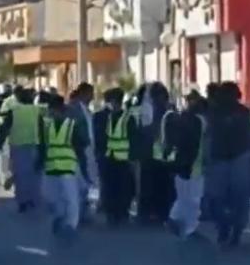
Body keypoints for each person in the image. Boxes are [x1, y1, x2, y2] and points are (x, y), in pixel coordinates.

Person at [205, 82, 250, 247]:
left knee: (227, 197)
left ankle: (231, 229)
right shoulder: (216, 112)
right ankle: (230, 228)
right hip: (228, 158)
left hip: (233, 158)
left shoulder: (239, 112)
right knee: (230, 198)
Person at [39, 94, 89, 240]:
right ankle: (60, 216)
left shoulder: (71, 124)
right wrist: (40, 161)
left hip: (67, 166)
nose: (50, 113)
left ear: (59, 109)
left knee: (71, 197)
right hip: (51, 166)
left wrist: (81, 164)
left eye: (52, 110)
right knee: (51, 196)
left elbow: (81, 143)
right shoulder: (46, 124)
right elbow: (42, 145)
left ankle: (71, 225)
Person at [0, 87, 43, 213]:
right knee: (32, 174)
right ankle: (32, 199)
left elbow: (4, 128)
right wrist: (43, 147)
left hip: (17, 145)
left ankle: (22, 201)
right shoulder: (36, 111)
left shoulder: (14, 111)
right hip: (33, 144)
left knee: (20, 175)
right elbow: (41, 129)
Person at [168, 90, 209, 239]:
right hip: (194, 165)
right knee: (194, 198)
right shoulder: (200, 122)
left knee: (183, 196)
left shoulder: (181, 118)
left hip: (181, 162)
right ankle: (188, 227)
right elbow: (200, 145)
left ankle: (176, 218)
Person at [136, 83, 178, 224]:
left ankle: (161, 213)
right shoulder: (149, 110)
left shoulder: (168, 111)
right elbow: (144, 130)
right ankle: (149, 213)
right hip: (151, 154)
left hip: (163, 155)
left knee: (163, 185)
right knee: (150, 185)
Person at [95, 87, 137, 225]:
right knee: (111, 186)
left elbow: (133, 137)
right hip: (110, 156)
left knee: (122, 187)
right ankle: (113, 212)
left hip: (122, 158)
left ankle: (120, 212)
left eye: (110, 101)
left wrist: (132, 157)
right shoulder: (107, 117)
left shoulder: (126, 118)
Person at [68, 83, 97, 219]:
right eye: (91, 93)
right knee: (80, 180)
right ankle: (78, 211)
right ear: (84, 93)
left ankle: (82, 208)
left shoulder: (86, 109)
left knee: (86, 179)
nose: (93, 96)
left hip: (87, 149)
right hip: (78, 149)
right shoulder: (74, 109)